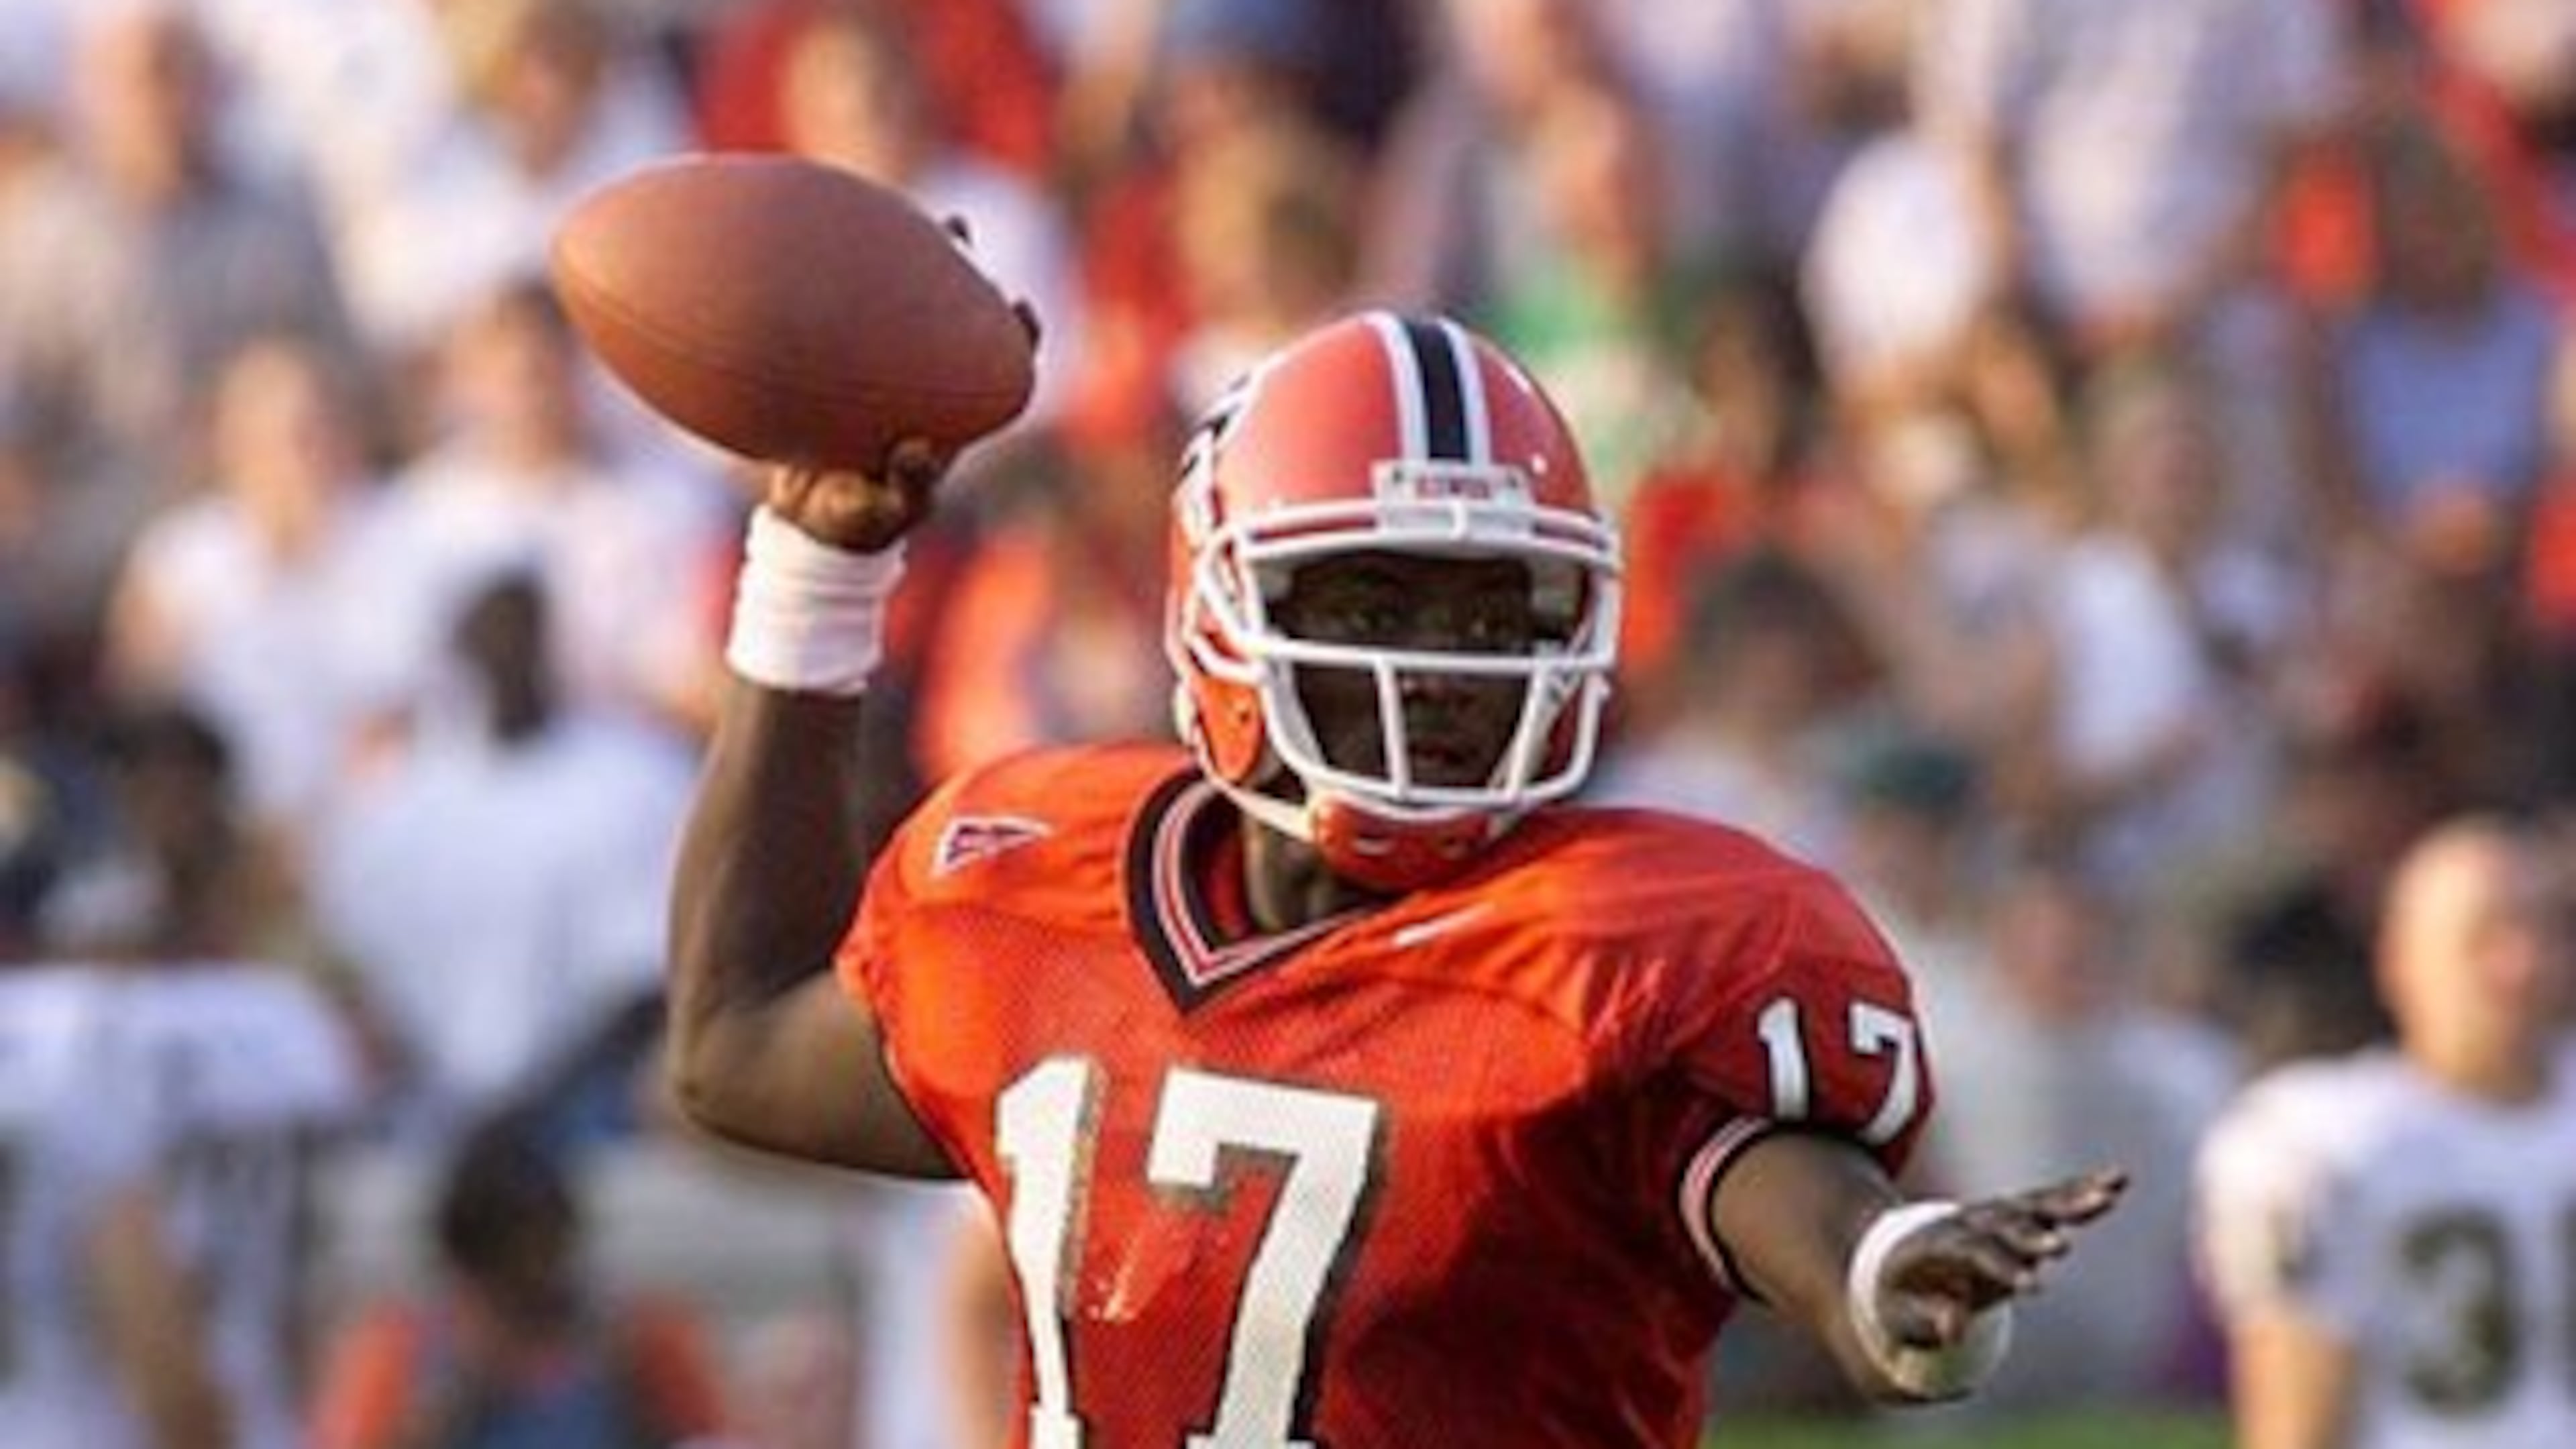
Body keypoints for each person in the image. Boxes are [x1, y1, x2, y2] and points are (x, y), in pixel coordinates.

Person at [664, 309, 2128, 1444]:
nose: (1439, 665)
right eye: (1371, 599)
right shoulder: (1043, 887)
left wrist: (1881, 1268)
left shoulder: (1619, 942)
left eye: (1498, 611)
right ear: (1223, 605)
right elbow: (732, 1053)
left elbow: (1773, 1193)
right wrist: (814, 571)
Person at [2196, 815, 2576, 1449]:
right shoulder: (2326, 1141)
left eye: (2545, 929)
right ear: (2399, 961)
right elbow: (2294, 1429)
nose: (2521, 964)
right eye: (2482, 937)